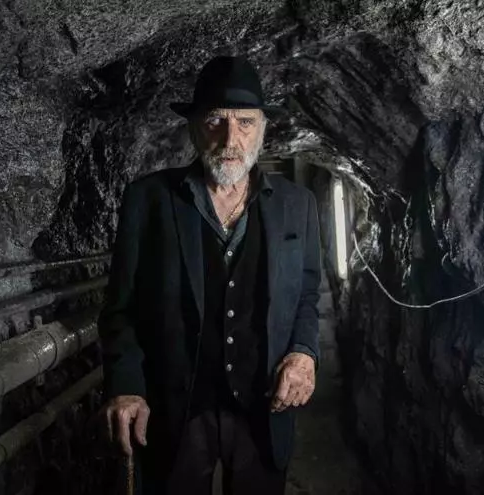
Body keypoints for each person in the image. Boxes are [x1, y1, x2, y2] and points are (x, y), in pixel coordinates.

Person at [97, 55, 321, 495]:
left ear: (262, 128)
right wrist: (125, 386)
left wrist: (303, 352)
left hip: (263, 408)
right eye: (216, 120)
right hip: (174, 410)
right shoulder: (147, 200)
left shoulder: (299, 205)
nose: (230, 138)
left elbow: (308, 293)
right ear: (194, 128)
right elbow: (120, 308)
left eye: (245, 122)